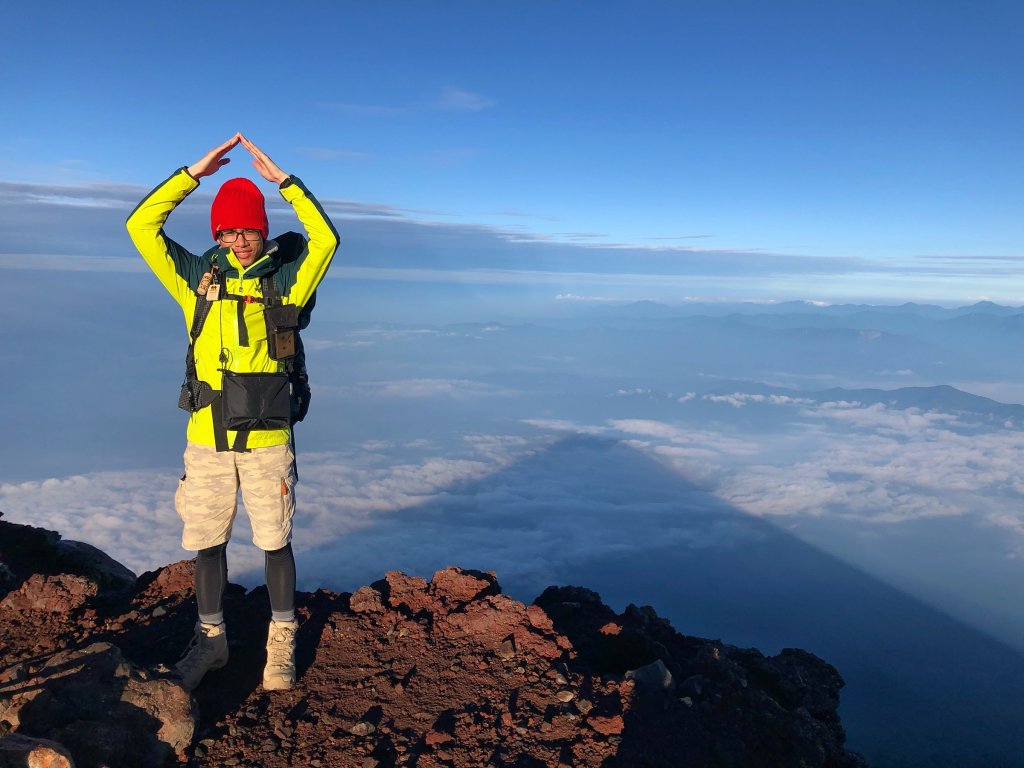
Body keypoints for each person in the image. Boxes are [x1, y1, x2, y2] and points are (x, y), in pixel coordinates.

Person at [126, 134, 339, 691]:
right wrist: (189, 177)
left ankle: (282, 640)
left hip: (269, 438)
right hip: (207, 437)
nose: (241, 241)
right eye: (229, 230)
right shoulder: (196, 279)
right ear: (216, 233)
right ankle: (212, 641)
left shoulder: (287, 279)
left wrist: (286, 183)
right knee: (207, 541)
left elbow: (325, 239)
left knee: (274, 541)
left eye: (249, 230)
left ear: (263, 231)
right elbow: (141, 228)